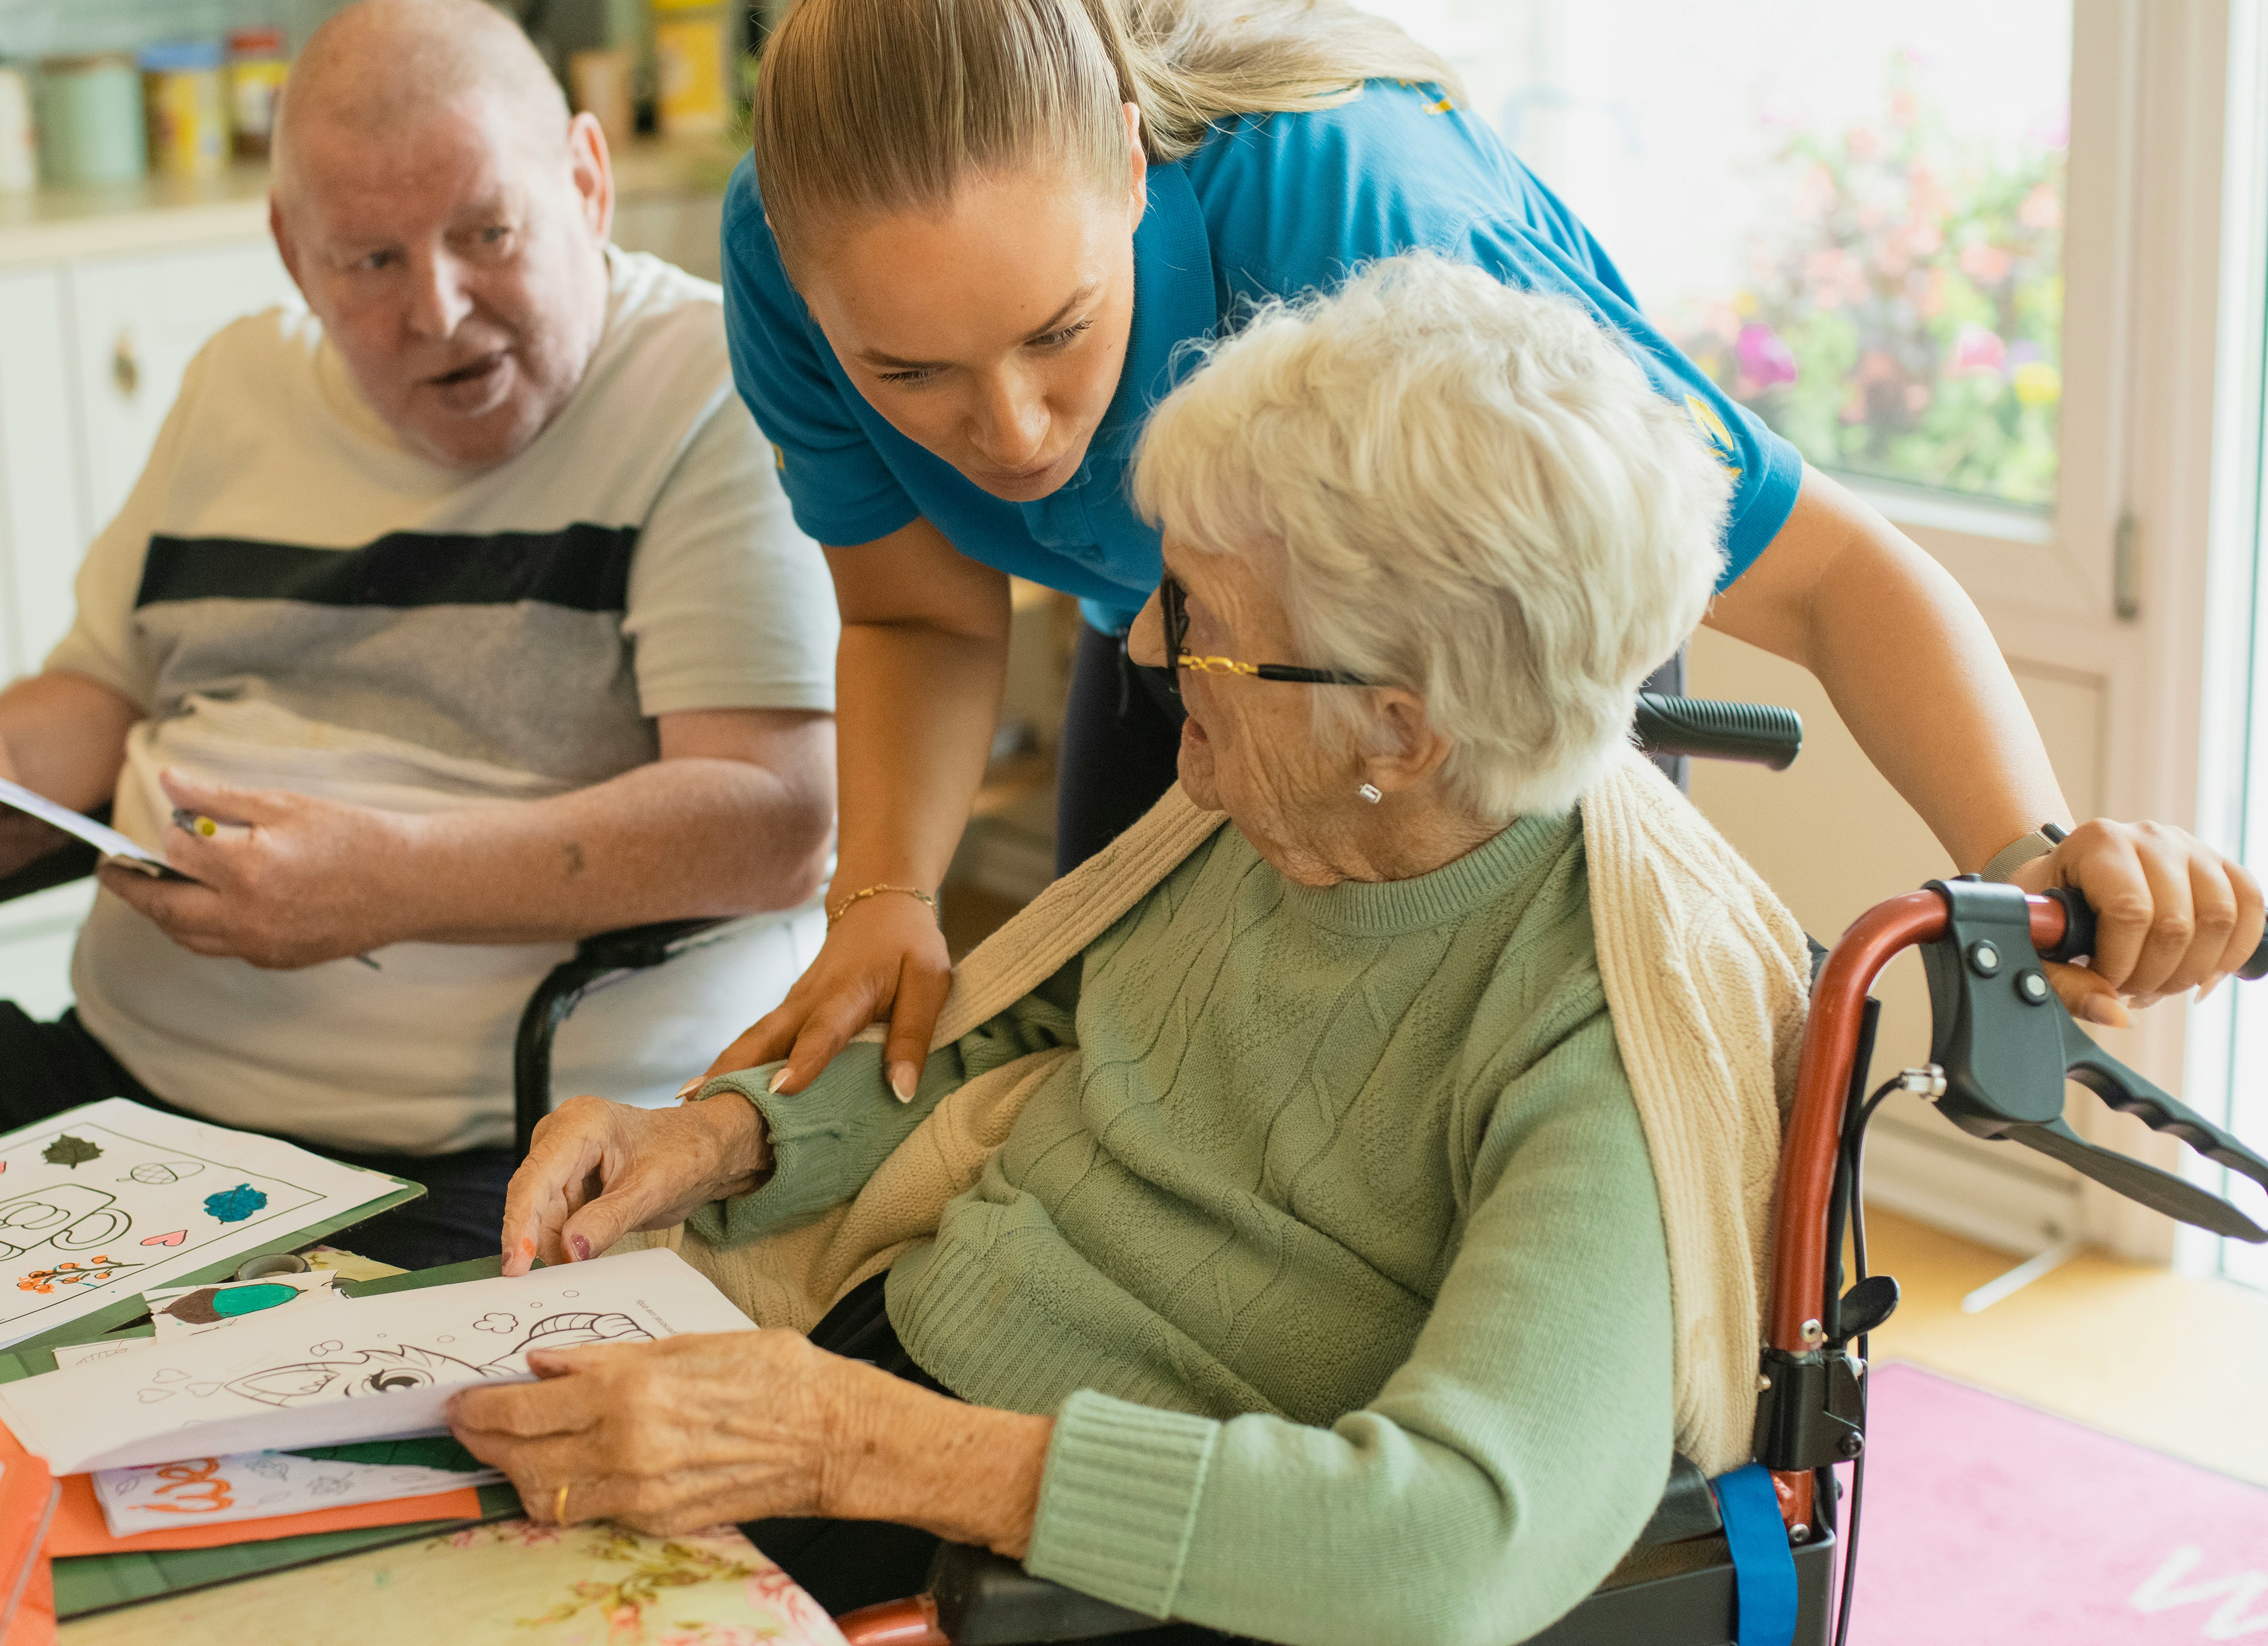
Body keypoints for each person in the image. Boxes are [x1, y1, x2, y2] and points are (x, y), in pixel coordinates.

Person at [699, 0, 2264, 1108]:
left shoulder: (1379, 237)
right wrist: (884, 895)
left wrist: (2023, 863)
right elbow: (921, 619)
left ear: (1126, 163)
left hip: (1506, 597)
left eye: (1060, 333)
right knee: (1117, 1060)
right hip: (1188, 621)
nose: (1020, 432)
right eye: (911, 375)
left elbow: (1838, 574)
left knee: (1513, 1105)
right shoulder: (784, 249)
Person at [450, 257, 1806, 1646]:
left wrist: (860, 1445)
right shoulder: (1285, 809)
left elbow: (1451, 1542)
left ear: (1400, 731)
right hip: (886, 1381)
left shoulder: (1605, 1031)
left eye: (1206, 623)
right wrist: (724, 1139)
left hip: (1071, 1564)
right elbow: (1021, 1035)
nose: (1150, 646)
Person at [0, 0, 841, 1270]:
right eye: (371, 260)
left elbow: (778, 818)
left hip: (505, 1133)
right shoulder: (240, 379)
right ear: (294, 253)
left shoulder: (709, 385)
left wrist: (388, 883)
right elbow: (102, 686)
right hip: (137, 1080)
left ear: (587, 180)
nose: (440, 309)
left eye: (488, 232)